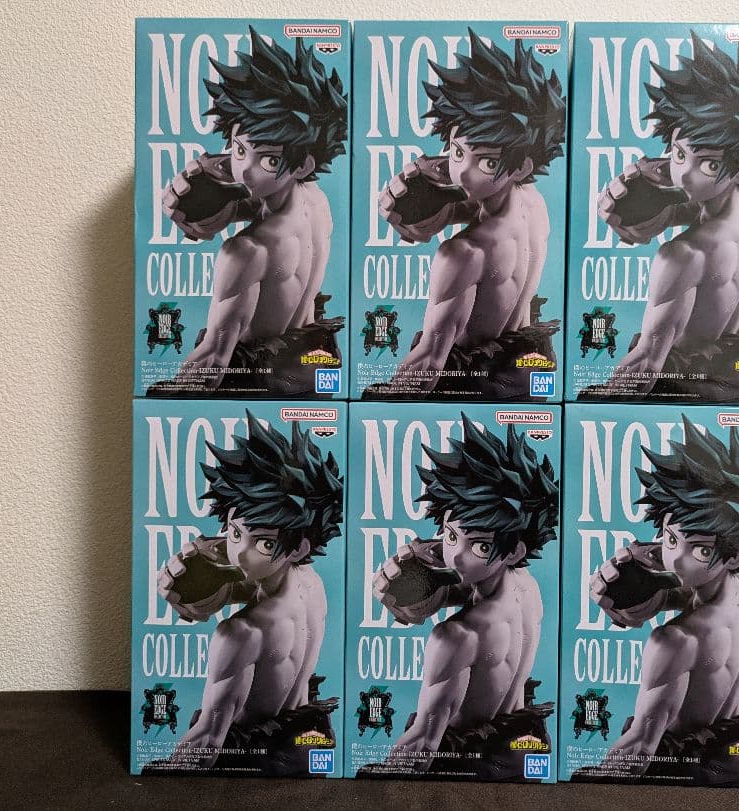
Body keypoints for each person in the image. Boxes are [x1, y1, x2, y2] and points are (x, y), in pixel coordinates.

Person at [579, 417, 739, 785]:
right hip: (735, 753)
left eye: (700, 550)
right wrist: (641, 573)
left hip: (679, 768)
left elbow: (640, 748)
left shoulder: (674, 642)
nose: (676, 561)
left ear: (734, 555)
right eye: (671, 540)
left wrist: (585, 781)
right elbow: (686, 588)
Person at [589, 33, 739, 402]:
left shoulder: (682, 256)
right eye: (679, 154)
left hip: (685, 385)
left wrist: (593, 404)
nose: (684, 176)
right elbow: (688, 204)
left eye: (709, 164)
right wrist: (653, 188)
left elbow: (646, 365)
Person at [372, 31, 566, 400]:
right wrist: (423, 205)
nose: (463, 173)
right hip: (526, 370)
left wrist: (380, 406)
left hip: (470, 384)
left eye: (487, 161)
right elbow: (469, 205)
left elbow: (429, 362)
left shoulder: (461, 254)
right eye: (457, 152)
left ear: (521, 167)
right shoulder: (534, 204)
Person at [364, 416, 559, 779]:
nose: (456, 557)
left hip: (464, 763)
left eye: (480, 546)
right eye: (451, 536)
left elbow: (424, 742)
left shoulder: (455, 637)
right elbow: (462, 584)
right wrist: (419, 580)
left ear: (514, 551)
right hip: (519, 746)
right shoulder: (526, 587)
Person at [156, 31, 347, 395]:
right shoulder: (316, 202)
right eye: (240, 150)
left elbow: (213, 360)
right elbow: (257, 200)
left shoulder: (245, 252)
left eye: (269, 160)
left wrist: (166, 399)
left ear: (302, 165)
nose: (245, 171)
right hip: (315, 363)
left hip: (255, 380)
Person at [153, 413, 344, 775]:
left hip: (250, 759)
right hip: (306, 741)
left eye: (265, 543)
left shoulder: (240, 634)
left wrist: (159, 775)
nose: (240, 553)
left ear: (298, 548)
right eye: (235, 533)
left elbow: (208, 739)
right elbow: (250, 583)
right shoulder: (311, 583)